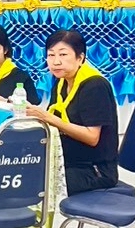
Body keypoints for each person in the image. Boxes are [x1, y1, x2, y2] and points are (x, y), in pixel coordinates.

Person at [25, 28, 120, 195]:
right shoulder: (61, 83)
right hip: (67, 161)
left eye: (63, 55)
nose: (56, 61)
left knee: (31, 182)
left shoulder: (94, 85)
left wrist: (47, 117)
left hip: (94, 169)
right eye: (51, 55)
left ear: (80, 58)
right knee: (18, 167)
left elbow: (92, 137)